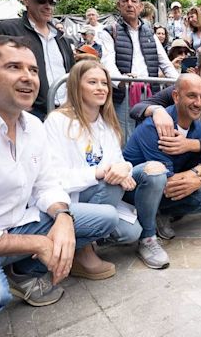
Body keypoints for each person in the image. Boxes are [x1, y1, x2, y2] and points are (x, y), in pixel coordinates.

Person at [0, 36, 118, 326]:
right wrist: (38, 243)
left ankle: (23, 270)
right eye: (14, 67)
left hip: (21, 224)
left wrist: (63, 217)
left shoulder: (32, 125)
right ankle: (8, 270)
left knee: (105, 218)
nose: (28, 77)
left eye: (33, 70)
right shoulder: (56, 122)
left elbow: (47, 184)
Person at [44, 60, 140, 278]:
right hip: (68, 201)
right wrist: (100, 172)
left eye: (104, 83)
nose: (101, 88)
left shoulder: (106, 124)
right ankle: (81, 252)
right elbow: (53, 178)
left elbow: (118, 161)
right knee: (113, 187)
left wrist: (124, 168)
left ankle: (87, 237)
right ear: (77, 86)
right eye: (92, 82)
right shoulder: (57, 121)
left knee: (132, 233)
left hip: (98, 194)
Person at [129, 48, 201, 226]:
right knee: (162, 178)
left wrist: (191, 145)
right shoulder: (179, 89)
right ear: (197, 71)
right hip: (169, 152)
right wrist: (157, 110)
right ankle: (166, 209)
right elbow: (137, 108)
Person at [101, 0, 178, 138]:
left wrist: (182, 83)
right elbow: (107, 63)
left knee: (149, 135)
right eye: (125, 1)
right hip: (123, 95)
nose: (130, 4)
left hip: (150, 94)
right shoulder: (109, 31)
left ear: (140, 6)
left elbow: (165, 63)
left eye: (133, 1)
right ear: (118, 5)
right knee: (125, 138)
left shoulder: (150, 33)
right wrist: (122, 82)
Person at [0, 0, 75, 119]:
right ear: (25, 0)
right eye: (41, 0)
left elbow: (71, 73)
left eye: (51, 1)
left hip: (65, 112)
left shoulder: (61, 37)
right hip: (30, 113)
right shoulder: (8, 29)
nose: (48, 6)